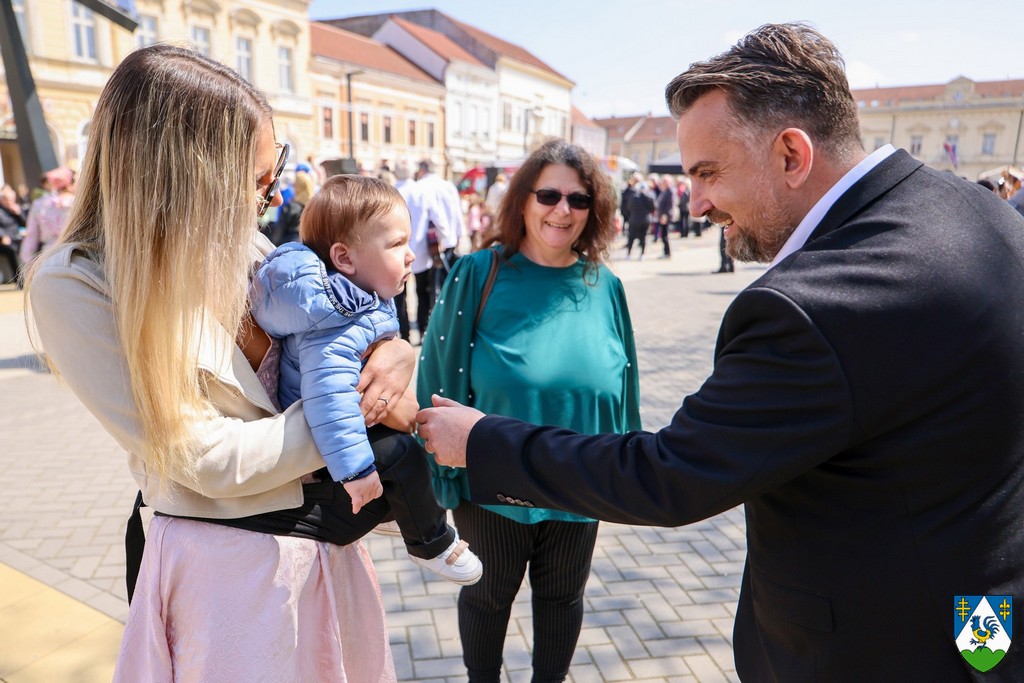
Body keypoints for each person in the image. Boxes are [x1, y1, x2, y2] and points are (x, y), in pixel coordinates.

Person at [417, 23, 1024, 681]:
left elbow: (671, 475)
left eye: (708, 173)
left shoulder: (813, 305)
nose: (697, 203)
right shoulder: (987, 216)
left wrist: (481, 441)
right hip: (985, 624)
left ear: (791, 154)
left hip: (879, 649)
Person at [24, 44, 412, 681]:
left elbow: (342, 329)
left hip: (324, 546)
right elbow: (202, 458)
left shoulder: (241, 241)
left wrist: (394, 350)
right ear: (186, 176)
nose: (274, 193)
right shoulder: (79, 282)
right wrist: (354, 405)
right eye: (256, 180)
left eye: (276, 166)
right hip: (227, 575)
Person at [418, 139, 641, 683]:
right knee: (487, 597)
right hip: (491, 482)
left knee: (563, 599)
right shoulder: (479, 273)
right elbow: (437, 377)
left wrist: (627, 469)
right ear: (522, 200)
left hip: (580, 479)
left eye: (578, 199)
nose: (563, 210)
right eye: (549, 195)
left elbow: (626, 381)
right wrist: (444, 478)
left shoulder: (605, 285)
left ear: (593, 210)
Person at [249, 174, 482, 585]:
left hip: (340, 434)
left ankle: (397, 511)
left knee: (404, 449)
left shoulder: (351, 299)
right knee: (402, 455)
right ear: (345, 258)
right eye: (396, 244)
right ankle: (431, 542)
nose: (411, 255)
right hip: (328, 451)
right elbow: (329, 397)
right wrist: (355, 472)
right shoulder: (334, 322)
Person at [402, 159, 464, 342]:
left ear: (421, 170)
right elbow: (457, 213)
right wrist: (457, 236)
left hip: (428, 244)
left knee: (420, 289)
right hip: (441, 243)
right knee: (438, 287)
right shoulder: (448, 186)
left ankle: (417, 329)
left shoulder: (420, 187)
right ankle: (437, 325)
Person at [20, 166, 74, 265]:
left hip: (50, 257)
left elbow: (32, 234)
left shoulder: (39, 204)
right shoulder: (78, 201)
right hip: (78, 255)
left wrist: (28, 262)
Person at [270, 170, 314, 245]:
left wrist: (273, 244)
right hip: (306, 246)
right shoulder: (313, 207)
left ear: (297, 187)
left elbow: (279, 231)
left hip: (287, 245)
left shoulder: (291, 207)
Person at [622, 171, 654, 259]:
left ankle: (628, 254)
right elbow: (652, 208)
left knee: (631, 237)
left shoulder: (633, 196)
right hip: (645, 219)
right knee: (643, 237)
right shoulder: (649, 197)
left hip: (634, 219)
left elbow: (628, 207)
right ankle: (642, 254)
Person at [0, 185, 25, 285]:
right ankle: (19, 280)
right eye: (7, 199)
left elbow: (25, 224)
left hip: (18, 238)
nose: (10, 201)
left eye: (11, 199)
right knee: (12, 250)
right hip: (5, 241)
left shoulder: (16, 208)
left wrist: (19, 213)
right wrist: (2, 236)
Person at [654, 174, 674, 259]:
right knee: (663, 235)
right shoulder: (664, 191)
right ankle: (665, 252)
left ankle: (667, 253)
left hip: (665, 216)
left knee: (664, 235)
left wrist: (665, 215)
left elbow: (669, 205)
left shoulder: (669, 191)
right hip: (662, 215)